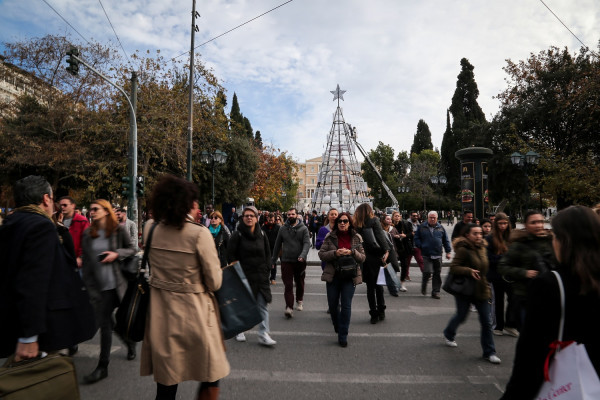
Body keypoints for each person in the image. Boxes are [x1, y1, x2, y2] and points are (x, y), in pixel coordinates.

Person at [141, 175, 229, 400]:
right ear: (188, 204)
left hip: (161, 313)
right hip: (196, 313)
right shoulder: (199, 234)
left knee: (167, 380)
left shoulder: (151, 228)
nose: (198, 206)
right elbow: (215, 282)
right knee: (211, 370)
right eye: (195, 201)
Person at [501, 206, 600, 399]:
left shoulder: (550, 285)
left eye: (554, 236)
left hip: (570, 382)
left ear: (565, 241)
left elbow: (530, 357)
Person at [0, 176, 96, 361]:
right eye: (53, 199)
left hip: (14, 322)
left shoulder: (12, 223)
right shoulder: (40, 226)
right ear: (46, 199)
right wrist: (29, 336)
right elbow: (33, 280)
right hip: (42, 329)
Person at [81, 199, 137, 384]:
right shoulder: (89, 233)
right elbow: (88, 264)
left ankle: (129, 342)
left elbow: (132, 249)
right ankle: (103, 366)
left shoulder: (118, 230)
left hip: (119, 285)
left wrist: (116, 254)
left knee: (119, 322)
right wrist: (89, 287)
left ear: (106, 211)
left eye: (96, 209)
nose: (92, 211)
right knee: (106, 325)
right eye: (90, 209)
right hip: (101, 288)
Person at [443, 223, 501, 364]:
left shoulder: (483, 247)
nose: (479, 236)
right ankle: (449, 333)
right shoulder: (463, 249)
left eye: (480, 233)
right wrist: (468, 271)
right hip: (465, 290)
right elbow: (454, 267)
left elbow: (485, 267)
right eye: (475, 233)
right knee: (461, 316)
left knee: (486, 322)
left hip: (481, 289)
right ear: (467, 235)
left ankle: (489, 352)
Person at [498, 210, 556, 333]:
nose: (538, 225)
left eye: (540, 222)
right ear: (525, 225)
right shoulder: (519, 245)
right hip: (524, 296)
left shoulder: (551, 242)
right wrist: (524, 273)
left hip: (547, 296)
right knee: (528, 335)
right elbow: (503, 266)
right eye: (533, 222)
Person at [227, 206, 276, 346]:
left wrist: (267, 268)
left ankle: (263, 333)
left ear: (256, 218)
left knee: (262, 305)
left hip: (261, 277)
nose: (249, 218)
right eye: (246, 215)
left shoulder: (262, 234)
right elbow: (230, 255)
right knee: (243, 305)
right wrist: (236, 270)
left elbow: (268, 253)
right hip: (244, 276)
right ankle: (240, 330)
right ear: (242, 218)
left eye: (252, 215)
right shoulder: (238, 235)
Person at [318, 212, 365, 347]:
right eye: (340, 221)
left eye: (345, 221)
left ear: (349, 223)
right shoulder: (330, 236)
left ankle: (343, 334)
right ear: (336, 223)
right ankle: (338, 324)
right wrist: (335, 253)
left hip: (350, 276)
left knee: (346, 305)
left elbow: (363, 257)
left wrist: (352, 252)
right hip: (333, 276)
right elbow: (321, 254)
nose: (342, 223)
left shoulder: (356, 237)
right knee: (333, 306)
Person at [353, 203, 390, 324]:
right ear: (369, 210)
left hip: (365, 258)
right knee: (379, 285)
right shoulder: (374, 220)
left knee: (370, 287)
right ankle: (381, 310)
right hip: (377, 256)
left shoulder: (357, 223)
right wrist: (386, 250)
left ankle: (373, 313)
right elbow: (380, 236)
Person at [271, 207, 311, 318]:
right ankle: (289, 307)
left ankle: (299, 300)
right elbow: (277, 245)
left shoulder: (303, 229)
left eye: (293, 214)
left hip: (299, 261)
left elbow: (307, 244)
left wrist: (302, 256)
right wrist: (273, 259)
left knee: (299, 282)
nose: (290, 216)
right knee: (288, 285)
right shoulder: (282, 229)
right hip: (286, 260)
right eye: (289, 214)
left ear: (297, 215)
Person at [486, 212, 518, 336]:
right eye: (500, 223)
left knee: (514, 298)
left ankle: (510, 324)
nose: (503, 226)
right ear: (495, 224)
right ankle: (498, 326)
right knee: (498, 301)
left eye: (505, 223)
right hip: (496, 275)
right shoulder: (490, 238)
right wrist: (505, 258)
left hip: (510, 274)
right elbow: (488, 257)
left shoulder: (511, 237)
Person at [414, 211, 452, 299]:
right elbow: (416, 238)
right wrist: (421, 246)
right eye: (430, 217)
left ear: (437, 218)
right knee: (427, 271)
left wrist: (448, 251)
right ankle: (424, 284)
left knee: (437, 274)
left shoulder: (441, 228)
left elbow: (445, 240)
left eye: (434, 217)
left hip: (437, 254)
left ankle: (436, 292)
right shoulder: (422, 227)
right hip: (426, 254)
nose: (432, 219)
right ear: (427, 218)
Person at [59, 195, 90, 268]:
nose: (62, 207)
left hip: (77, 262)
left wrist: (81, 257)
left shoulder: (82, 221)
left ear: (73, 206)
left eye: (65, 205)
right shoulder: (58, 221)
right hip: (62, 261)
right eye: (61, 205)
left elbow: (87, 241)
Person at [380, 214, 401, 296]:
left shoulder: (393, 229)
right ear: (383, 220)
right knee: (387, 271)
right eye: (387, 219)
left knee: (393, 270)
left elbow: (398, 240)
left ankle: (393, 287)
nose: (390, 220)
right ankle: (393, 289)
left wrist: (399, 237)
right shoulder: (380, 230)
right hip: (384, 253)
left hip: (393, 252)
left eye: (390, 219)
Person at [391, 211, 411, 291]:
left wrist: (405, 235)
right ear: (392, 217)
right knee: (393, 266)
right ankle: (394, 283)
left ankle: (402, 283)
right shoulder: (390, 225)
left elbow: (410, 233)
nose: (397, 217)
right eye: (395, 216)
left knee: (404, 265)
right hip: (393, 248)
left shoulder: (405, 224)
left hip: (403, 247)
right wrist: (394, 236)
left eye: (398, 216)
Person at [262, 213, 281, 284]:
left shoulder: (278, 227)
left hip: (274, 248)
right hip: (265, 248)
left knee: (273, 263)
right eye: (269, 220)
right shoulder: (263, 228)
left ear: (274, 220)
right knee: (266, 263)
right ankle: (266, 277)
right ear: (267, 219)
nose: (271, 221)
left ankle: (273, 278)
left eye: (272, 220)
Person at [407, 211, 425, 280]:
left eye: (416, 216)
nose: (415, 217)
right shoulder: (407, 223)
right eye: (414, 216)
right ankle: (406, 275)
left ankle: (425, 274)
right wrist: (412, 234)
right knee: (407, 262)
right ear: (410, 216)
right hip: (409, 245)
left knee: (420, 260)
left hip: (416, 246)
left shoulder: (418, 224)